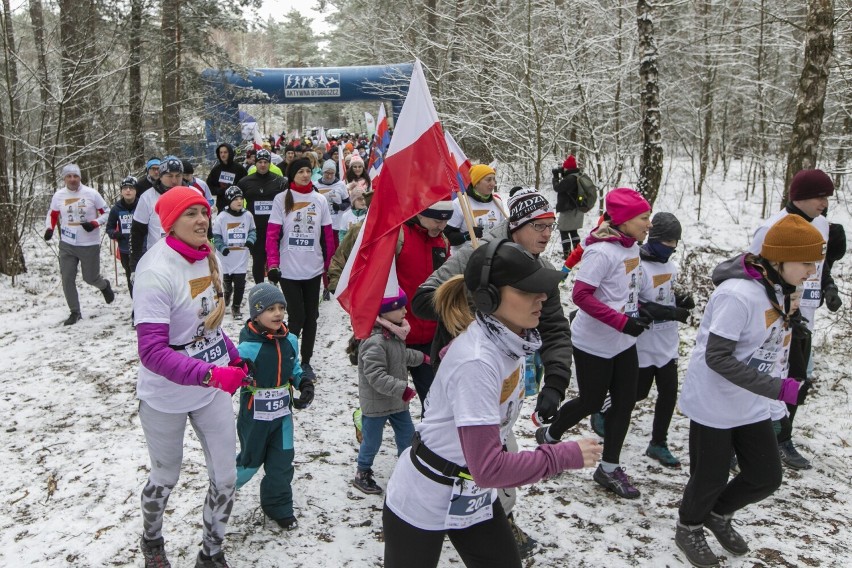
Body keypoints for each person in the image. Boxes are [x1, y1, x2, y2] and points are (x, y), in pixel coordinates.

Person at [383, 240, 601, 568]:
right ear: (490, 298)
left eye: (541, 289)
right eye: (529, 291)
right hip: (426, 494)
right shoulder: (478, 361)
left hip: (470, 496)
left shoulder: (510, 340)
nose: (542, 297)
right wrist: (561, 455)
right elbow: (490, 468)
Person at [411, 188, 571, 554]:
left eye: (551, 226)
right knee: (456, 447)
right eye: (539, 226)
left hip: (510, 376)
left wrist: (557, 381)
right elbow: (422, 300)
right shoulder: (474, 253)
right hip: (465, 371)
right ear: (516, 225)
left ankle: (498, 519)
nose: (547, 234)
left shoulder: (542, 271)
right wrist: (480, 304)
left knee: (500, 441)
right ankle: (433, 512)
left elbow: (556, 328)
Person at [674, 214, 824, 568]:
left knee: (766, 476)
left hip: (751, 400)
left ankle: (718, 514)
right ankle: (689, 526)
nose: (810, 272)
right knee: (709, 476)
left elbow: (771, 343)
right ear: (779, 259)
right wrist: (779, 388)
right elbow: (718, 358)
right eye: (806, 263)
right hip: (715, 400)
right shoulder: (737, 295)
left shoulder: (776, 290)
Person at [133, 186, 250, 568]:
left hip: (209, 388)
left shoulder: (206, 255)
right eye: (191, 214)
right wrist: (212, 375)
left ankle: (211, 552)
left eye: (204, 211)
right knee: (166, 476)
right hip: (166, 395)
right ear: (169, 222)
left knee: (226, 475)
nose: (202, 220)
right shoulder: (155, 271)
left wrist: (233, 358)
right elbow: (152, 352)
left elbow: (209, 325)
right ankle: (152, 541)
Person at [535, 187, 652, 499]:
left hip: (624, 342)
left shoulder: (632, 247)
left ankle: (609, 467)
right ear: (625, 221)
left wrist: (646, 310)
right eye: (644, 218)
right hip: (594, 343)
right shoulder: (602, 252)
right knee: (590, 401)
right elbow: (580, 296)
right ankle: (550, 433)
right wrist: (621, 321)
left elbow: (625, 290)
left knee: (625, 403)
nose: (648, 224)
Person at [747, 169, 834, 470]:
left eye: (827, 197)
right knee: (766, 379)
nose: (825, 202)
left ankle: (782, 438)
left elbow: (819, 268)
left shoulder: (822, 225)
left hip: (804, 318)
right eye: (820, 196)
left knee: (797, 381)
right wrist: (780, 307)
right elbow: (752, 271)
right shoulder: (771, 227)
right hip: (774, 319)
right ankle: (745, 439)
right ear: (800, 197)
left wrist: (828, 287)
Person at [235, 283, 314, 530]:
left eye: (281, 308)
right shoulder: (246, 348)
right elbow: (231, 375)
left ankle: (278, 507)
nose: (278, 313)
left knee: (281, 464)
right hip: (255, 420)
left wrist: (304, 383)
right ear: (256, 314)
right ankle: (222, 490)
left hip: (282, 418)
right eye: (270, 309)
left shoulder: (290, 340)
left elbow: (294, 368)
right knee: (249, 464)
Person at [266, 157, 336, 381]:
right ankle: (289, 358)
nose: (305, 175)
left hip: (313, 269)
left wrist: (329, 270)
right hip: (289, 270)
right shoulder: (281, 199)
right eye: (300, 172)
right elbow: (272, 235)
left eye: (308, 171)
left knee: (312, 317)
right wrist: (273, 264)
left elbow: (327, 239)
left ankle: (306, 362)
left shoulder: (319, 200)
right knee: (296, 317)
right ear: (292, 175)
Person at [634, 212, 695, 467]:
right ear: (655, 239)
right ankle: (604, 408)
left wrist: (680, 301)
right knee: (638, 392)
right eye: (667, 244)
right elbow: (637, 304)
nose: (671, 250)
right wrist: (670, 311)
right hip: (644, 344)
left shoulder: (670, 266)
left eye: (675, 245)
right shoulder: (637, 263)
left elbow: (667, 294)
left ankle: (658, 443)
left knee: (668, 393)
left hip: (667, 342)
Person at [352, 287, 424, 495]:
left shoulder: (393, 334)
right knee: (372, 441)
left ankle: (408, 470)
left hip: (396, 402)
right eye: (399, 307)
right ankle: (362, 471)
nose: (404, 311)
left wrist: (422, 358)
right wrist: (402, 389)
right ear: (383, 311)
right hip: (376, 404)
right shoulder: (375, 341)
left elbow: (400, 356)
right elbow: (375, 376)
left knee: (407, 437)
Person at [44, 163, 114, 325]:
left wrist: (95, 223)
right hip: (67, 243)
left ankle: (104, 286)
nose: (72, 179)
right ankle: (75, 312)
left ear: (80, 178)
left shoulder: (91, 194)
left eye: (75, 176)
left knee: (90, 278)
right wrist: (49, 229)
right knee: (67, 278)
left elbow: (107, 212)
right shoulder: (59, 195)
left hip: (89, 243)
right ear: (64, 178)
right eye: (69, 176)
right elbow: (53, 214)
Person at [237, 149, 287, 285]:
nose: (263, 165)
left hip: (275, 227)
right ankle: (260, 286)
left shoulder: (280, 181)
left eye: (266, 162)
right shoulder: (244, 182)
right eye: (260, 162)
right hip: (255, 227)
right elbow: (236, 202)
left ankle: (273, 284)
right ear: (255, 163)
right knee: (258, 259)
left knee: (274, 258)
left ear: (269, 163)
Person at [130, 157, 184, 274]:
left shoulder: (193, 193)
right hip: (158, 258)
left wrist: (212, 249)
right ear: (160, 176)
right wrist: (135, 263)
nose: (174, 181)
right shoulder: (147, 197)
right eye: (169, 176)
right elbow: (137, 233)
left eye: (178, 176)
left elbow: (207, 229)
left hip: (187, 257)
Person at [212, 186, 256, 319]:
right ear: (229, 201)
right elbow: (217, 236)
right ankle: (226, 297)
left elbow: (253, 230)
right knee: (226, 283)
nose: (239, 201)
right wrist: (222, 247)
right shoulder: (222, 217)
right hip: (226, 258)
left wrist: (250, 241)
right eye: (236, 199)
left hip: (241, 257)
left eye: (241, 199)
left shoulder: (247, 215)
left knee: (240, 284)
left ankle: (236, 307)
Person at [444, 164, 506, 248]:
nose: (493, 183)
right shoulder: (460, 203)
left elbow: (503, 231)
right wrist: (467, 235)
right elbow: (447, 236)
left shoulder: (498, 203)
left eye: (494, 179)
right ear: (476, 183)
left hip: (493, 255)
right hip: (467, 257)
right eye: (488, 180)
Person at [553, 155, 595, 258]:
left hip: (568, 210)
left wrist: (555, 177)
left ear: (568, 168)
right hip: (577, 208)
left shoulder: (570, 179)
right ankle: (577, 254)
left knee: (563, 231)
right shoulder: (577, 175)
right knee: (573, 231)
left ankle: (567, 255)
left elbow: (558, 188)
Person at [106, 176, 139, 297]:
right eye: (125, 188)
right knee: (131, 277)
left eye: (131, 188)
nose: (128, 191)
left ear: (136, 190)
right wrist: (115, 234)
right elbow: (109, 228)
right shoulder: (116, 209)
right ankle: (135, 304)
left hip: (142, 248)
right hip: (125, 250)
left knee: (144, 276)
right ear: (121, 191)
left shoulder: (142, 205)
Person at [315, 159, 349, 246]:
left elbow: (347, 202)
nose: (329, 176)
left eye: (332, 173)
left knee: (335, 247)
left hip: (336, 223)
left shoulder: (341, 185)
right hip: (321, 223)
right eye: (327, 173)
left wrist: (340, 206)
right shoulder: (316, 185)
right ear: (323, 172)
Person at [206, 142, 248, 212]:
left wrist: (235, 189)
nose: (223, 155)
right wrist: (220, 191)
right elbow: (209, 187)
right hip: (222, 205)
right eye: (221, 152)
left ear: (230, 153)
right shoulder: (216, 170)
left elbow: (246, 185)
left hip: (237, 205)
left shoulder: (239, 169)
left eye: (225, 152)